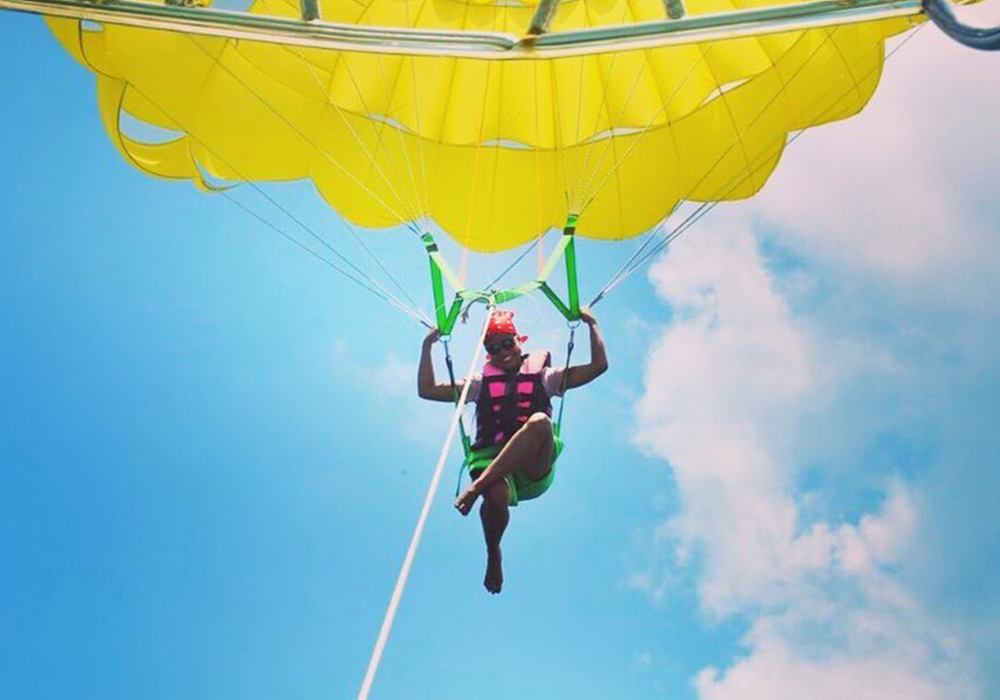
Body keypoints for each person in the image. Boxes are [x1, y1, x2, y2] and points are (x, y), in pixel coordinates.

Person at [417, 306, 608, 594]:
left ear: (520, 340)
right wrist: (427, 345)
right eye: (493, 348)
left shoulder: (546, 377)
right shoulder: (480, 385)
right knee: (496, 493)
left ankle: (477, 487)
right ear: (487, 355)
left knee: (540, 421)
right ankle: (494, 552)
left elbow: (598, 366)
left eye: (508, 342)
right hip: (492, 462)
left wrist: (591, 323)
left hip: (533, 468)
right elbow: (427, 390)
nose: (502, 351)